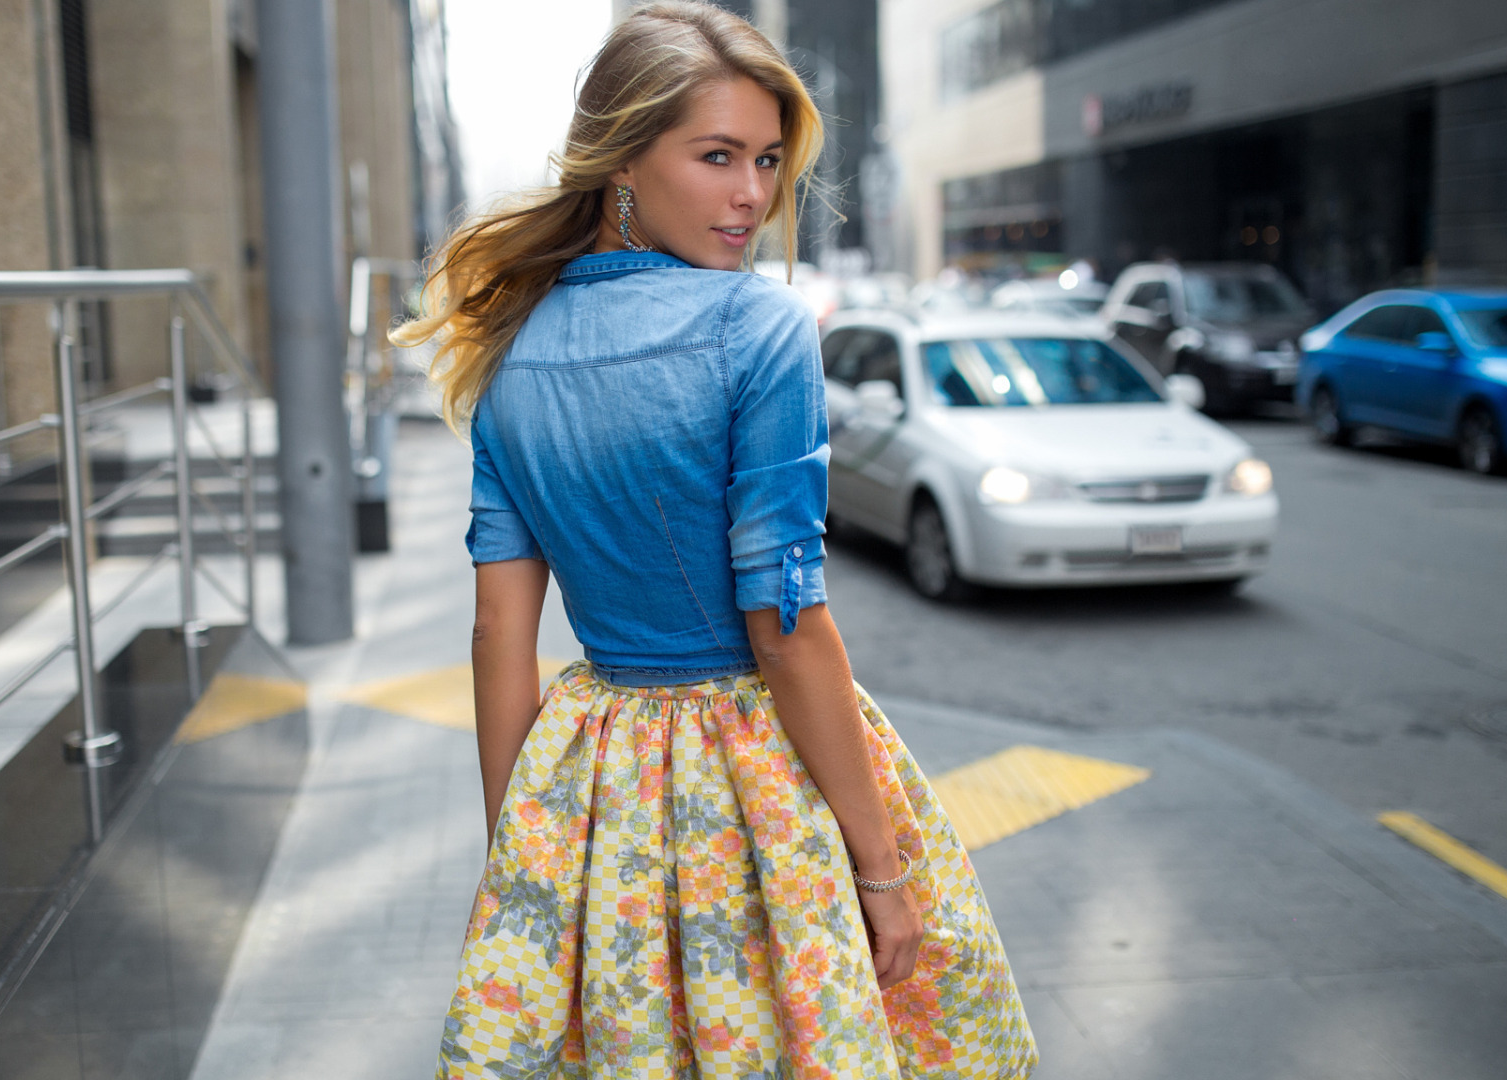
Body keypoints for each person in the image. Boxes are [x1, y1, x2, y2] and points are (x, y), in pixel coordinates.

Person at [391, 3, 1037, 1076]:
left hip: (589, 780)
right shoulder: (758, 326)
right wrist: (880, 869)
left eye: (770, 160)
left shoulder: (510, 350)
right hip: (758, 771)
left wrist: (524, 864)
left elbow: (497, 635)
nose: (753, 195)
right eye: (718, 156)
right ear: (622, 163)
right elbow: (784, 628)